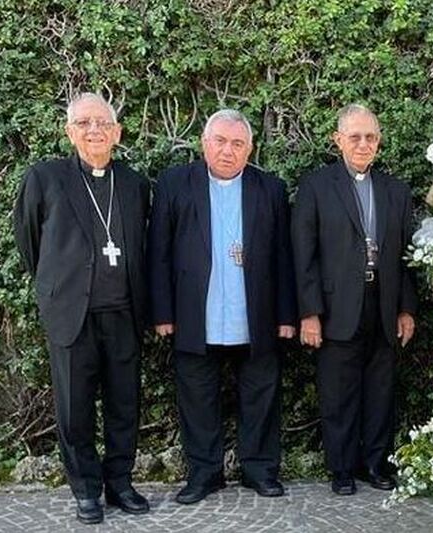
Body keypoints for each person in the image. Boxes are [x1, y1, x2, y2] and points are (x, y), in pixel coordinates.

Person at [13, 92, 151, 524]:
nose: (95, 130)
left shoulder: (134, 184)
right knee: (74, 408)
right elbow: (29, 242)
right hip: (71, 315)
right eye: (85, 123)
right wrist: (59, 287)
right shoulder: (45, 178)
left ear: (118, 132)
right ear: (70, 131)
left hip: (123, 313)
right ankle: (86, 489)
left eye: (103, 123)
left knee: (124, 404)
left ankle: (120, 483)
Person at [148, 109, 296, 504]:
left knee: (261, 396)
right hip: (196, 315)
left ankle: (260, 470)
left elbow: (284, 255)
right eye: (220, 141)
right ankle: (204, 473)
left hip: (257, 316)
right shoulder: (175, 184)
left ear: (250, 149)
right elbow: (158, 252)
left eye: (237, 144)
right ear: (204, 143)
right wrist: (162, 312)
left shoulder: (271, 189)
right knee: (197, 399)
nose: (227, 151)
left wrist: (286, 315)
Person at [293, 104, 418, 495]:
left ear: (379, 142)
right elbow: (303, 255)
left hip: (382, 305)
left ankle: (376, 465)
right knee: (339, 394)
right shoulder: (316, 186)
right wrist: (309, 313)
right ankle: (342, 469)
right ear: (338, 141)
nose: (363, 144)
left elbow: (407, 256)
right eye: (355, 137)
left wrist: (406, 308)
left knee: (380, 392)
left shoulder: (395, 191)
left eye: (370, 137)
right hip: (335, 309)